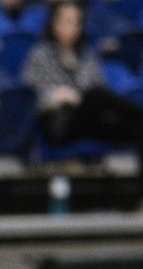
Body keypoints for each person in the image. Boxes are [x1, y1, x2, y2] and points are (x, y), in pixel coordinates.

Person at [21, 0, 143, 172]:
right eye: (65, 21)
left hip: (88, 120)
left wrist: (80, 98)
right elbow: (27, 96)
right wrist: (54, 96)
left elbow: (102, 95)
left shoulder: (88, 56)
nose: (70, 27)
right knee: (94, 95)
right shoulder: (39, 56)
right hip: (59, 124)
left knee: (136, 129)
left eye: (75, 22)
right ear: (53, 23)